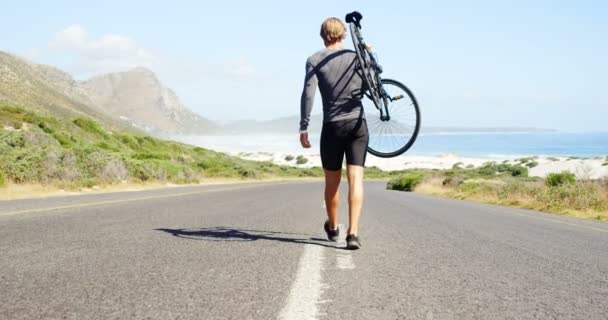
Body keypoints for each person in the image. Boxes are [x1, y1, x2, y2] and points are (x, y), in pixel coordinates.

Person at [299, 17, 368, 250]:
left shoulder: (314, 59)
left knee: (332, 182)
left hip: (333, 126)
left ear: (322, 35)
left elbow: (308, 94)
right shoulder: (356, 57)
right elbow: (368, 86)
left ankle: (334, 226)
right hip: (358, 124)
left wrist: (304, 125)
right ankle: (354, 233)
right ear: (343, 34)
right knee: (356, 180)